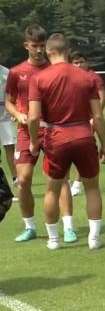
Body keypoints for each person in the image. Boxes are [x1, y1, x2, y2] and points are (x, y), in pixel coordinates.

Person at [27, 33, 105, 250]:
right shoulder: (87, 77)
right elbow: (98, 115)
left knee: (53, 190)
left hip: (57, 137)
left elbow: (34, 117)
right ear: (68, 50)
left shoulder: (39, 78)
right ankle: (94, 238)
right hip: (83, 133)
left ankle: (53, 240)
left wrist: (34, 141)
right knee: (92, 188)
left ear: (48, 51)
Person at [5, 25, 77, 243]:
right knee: (23, 180)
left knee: (59, 178)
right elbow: (8, 102)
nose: (38, 50)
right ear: (26, 45)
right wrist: (18, 114)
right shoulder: (16, 72)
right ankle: (30, 227)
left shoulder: (54, 69)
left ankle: (69, 227)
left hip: (54, 130)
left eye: (41, 46)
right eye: (33, 46)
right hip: (27, 132)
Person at [70, 51, 105, 197]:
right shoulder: (68, 77)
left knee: (83, 151)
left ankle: (77, 184)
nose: (79, 65)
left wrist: (93, 117)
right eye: (76, 63)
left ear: (87, 62)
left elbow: (102, 99)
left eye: (81, 62)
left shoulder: (94, 78)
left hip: (88, 121)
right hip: (71, 121)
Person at [0, 64, 18, 191]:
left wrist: (15, 110)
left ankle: (16, 179)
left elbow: (15, 93)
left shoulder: (8, 73)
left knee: (10, 147)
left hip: (5, 115)